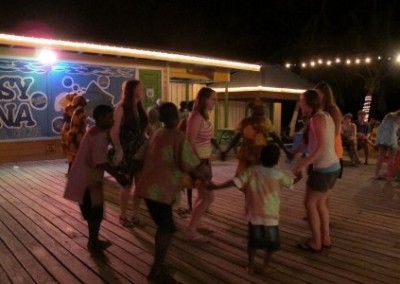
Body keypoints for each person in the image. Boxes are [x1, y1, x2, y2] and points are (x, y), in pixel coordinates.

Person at [135, 102, 209, 282]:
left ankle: (159, 265)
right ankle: (155, 271)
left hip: (147, 188)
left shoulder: (156, 134)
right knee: (165, 229)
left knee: (164, 226)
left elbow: (139, 157)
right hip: (162, 190)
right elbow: (188, 164)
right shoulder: (178, 137)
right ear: (175, 117)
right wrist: (203, 177)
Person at [207, 144, 301, 275]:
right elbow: (290, 182)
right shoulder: (278, 174)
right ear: (276, 160)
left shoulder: (252, 171)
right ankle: (266, 266)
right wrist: (299, 177)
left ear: (261, 157)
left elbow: (235, 182)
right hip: (271, 218)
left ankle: (250, 266)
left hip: (254, 215)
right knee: (271, 245)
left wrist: (216, 187)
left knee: (253, 243)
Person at [64, 105, 129, 254]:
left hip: (84, 179)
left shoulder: (94, 131)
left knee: (94, 213)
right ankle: (93, 243)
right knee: (95, 213)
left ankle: (93, 241)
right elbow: (100, 161)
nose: (112, 120)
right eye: (109, 117)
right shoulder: (98, 135)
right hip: (87, 181)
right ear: (99, 118)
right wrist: (118, 176)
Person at [293, 89, 340, 252]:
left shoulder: (316, 119)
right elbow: (318, 142)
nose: (300, 104)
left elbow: (321, 147)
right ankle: (325, 238)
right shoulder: (325, 116)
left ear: (309, 103)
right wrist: (299, 150)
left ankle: (316, 242)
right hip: (333, 166)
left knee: (310, 203)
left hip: (324, 168)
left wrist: (302, 164)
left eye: (301, 100)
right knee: (320, 204)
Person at [110, 79, 148, 228]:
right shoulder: (121, 108)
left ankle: (135, 215)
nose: (143, 89)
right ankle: (123, 215)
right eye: (140, 87)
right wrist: (119, 150)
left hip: (140, 149)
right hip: (127, 150)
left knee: (139, 185)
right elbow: (114, 132)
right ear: (133, 90)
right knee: (127, 184)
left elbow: (146, 129)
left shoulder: (140, 107)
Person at [220, 98, 293, 175]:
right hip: (246, 155)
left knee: (258, 178)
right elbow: (236, 138)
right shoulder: (245, 122)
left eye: (262, 107)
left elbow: (275, 137)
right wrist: (226, 151)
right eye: (260, 108)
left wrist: (286, 150)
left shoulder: (266, 122)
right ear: (253, 109)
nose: (263, 110)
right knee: (242, 178)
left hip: (261, 155)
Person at [185, 87, 216, 242]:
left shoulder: (204, 116)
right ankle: (191, 230)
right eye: (213, 99)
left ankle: (197, 224)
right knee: (208, 197)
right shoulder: (196, 117)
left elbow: (206, 141)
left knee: (203, 195)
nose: (215, 102)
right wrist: (198, 165)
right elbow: (189, 143)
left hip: (205, 160)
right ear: (204, 99)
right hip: (198, 162)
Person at [315, 82, 344, 177]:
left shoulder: (332, 110)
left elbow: (334, 133)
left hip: (331, 153)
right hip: (320, 153)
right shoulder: (318, 110)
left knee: (320, 187)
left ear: (324, 95)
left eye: (317, 93)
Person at [177, 100, 195, 216]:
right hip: (187, 152)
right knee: (188, 179)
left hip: (195, 152)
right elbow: (177, 132)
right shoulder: (185, 121)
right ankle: (190, 205)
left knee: (192, 180)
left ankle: (193, 205)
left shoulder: (195, 121)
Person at [374, 110, 400, 180]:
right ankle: (389, 176)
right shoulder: (397, 118)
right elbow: (398, 132)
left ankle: (376, 174)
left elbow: (382, 126)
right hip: (391, 138)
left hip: (382, 137)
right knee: (391, 158)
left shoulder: (389, 115)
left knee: (381, 156)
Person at [66, 95, 88, 173]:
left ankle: (70, 170)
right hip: (78, 135)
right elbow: (82, 124)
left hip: (72, 134)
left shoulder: (75, 111)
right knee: (79, 153)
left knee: (72, 154)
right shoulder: (81, 111)